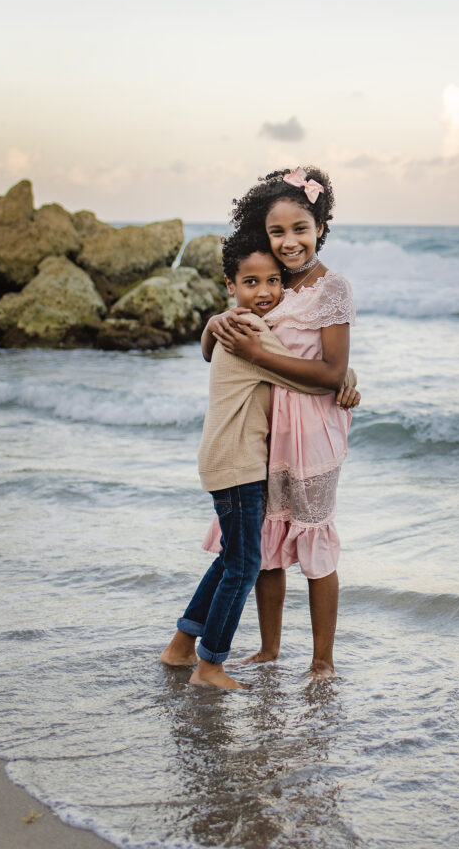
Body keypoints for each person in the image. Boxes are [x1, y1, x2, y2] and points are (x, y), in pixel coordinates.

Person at [159, 227, 358, 690]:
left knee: (233, 557)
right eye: (252, 283)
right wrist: (341, 376)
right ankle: (209, 666)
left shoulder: (243, 324)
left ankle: (181, 647)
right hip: (239, 464)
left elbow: (297, 364)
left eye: (274, 282)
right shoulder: (247, 329)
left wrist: (344, 372)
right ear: (231, 285)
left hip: (229, 460)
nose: (266, 291)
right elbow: (311, 375)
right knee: (245, 566)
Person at [207, 167, 355, 680]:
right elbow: (232, 344)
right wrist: (214, 323)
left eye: (301, 228)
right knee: (268, 540)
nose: (289, 242)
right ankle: (269, 649)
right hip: (265, 433)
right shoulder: (269, 282)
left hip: (315, 431)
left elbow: (331, 369)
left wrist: (346, 375)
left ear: (321, 227)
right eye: (277, 231)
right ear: (263, 234)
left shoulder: (332, 288)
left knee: (314, 536)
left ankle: (322, 660)